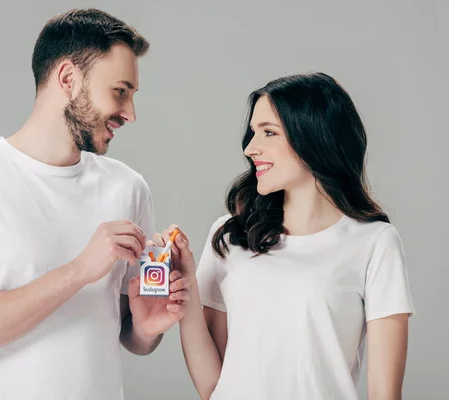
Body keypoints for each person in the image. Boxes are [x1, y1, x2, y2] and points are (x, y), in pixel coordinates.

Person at [0, 8, 189, 400]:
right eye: (120, 92)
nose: (130, 113)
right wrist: (78, 271)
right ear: (69, 79)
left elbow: (130, 335)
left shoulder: (128, 188)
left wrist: (146, 327)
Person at [152, 72, 416, 399]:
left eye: (268, 132)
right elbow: (211, 387)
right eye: (252, 133)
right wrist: (189, 285)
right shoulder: (231, 236)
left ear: (315, 136)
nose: (250, 148)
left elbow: (385, 395)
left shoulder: (375, 242)